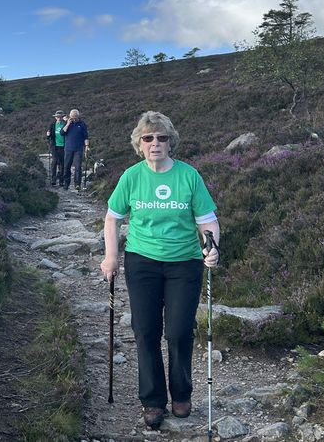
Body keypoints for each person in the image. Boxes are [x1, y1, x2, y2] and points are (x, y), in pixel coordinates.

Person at [99, 111, 220, 430]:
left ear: (171, 142)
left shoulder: (188, 176)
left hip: (184, 263)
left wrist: (212, 247)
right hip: (142, 262)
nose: (155, 143)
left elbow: (207, 220)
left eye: (162, 137)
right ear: (139, 143)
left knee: (179, 331)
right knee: (145, 331)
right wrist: (111, 256)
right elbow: (113, 218)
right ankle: (152, 401)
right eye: (148, 138)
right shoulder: (131, 177)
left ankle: (181, 394)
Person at [60, 109, 89, 190]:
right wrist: (68, 124)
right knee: (67, 166)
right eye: (72, 117)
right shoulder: (67, 123)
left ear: (78, 116)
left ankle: (77, 184)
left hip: (78, 149)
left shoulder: (82, 124)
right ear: (70, 116)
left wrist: (87, 146)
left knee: (78, 167)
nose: (74, 119)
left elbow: (86, 136)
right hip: (68, 148)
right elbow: (62, 133)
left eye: (75, 117)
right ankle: (66, 183)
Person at [46, 109, 66, 186]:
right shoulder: (52, 125)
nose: (59, 118)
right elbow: (49, 136)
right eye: (58, 117)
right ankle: (53, 179)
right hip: (54, 146)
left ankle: (61, 181)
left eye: (60, 117)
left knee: (62, 163)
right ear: (55, 117)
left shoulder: (65, 124)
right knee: (55, 161)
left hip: (63, 146)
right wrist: (48, 135)